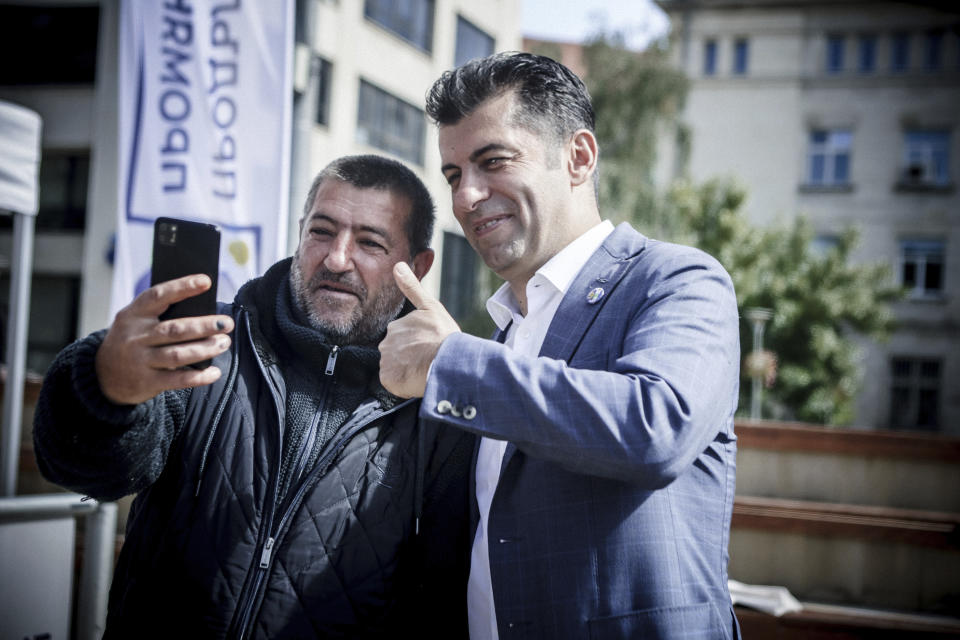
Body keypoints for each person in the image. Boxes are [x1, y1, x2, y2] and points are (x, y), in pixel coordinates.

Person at [378, 52, 742, 639]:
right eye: (452, 175)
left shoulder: (677, 280)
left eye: (492, 161)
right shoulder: (504, 333)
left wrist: (451, 360)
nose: (466, 196)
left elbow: (656, 428)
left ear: (578, 157)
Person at [33, 155, 472, 639]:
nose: (336, 258)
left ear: (419, 265)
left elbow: (443, 604)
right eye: (321, 232)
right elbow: (89, 470)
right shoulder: (205, 345)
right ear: (300, 231)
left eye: (369, 242)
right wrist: (107, 386)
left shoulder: (442, 410)